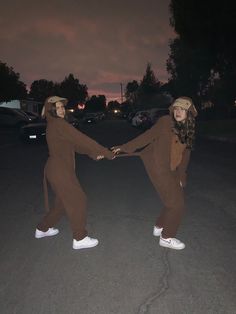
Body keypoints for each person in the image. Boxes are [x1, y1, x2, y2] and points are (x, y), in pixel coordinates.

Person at [112, 97, 197, 250]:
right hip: (158, 166)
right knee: (177, 205)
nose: (178, 112)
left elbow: (186, 154)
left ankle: (159, 226)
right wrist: (125, 147)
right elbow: (147, 136)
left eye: (182, 109)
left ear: (189, 113)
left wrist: (181, 175)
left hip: (172, 169)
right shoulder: (165, 122)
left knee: (173, 199)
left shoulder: (188, 129)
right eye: (176, 109)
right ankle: (167, 237)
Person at [35, 96, 114, 250]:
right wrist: (105, 151)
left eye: (62, 107)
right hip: (60, 170)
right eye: (57, 108)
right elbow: (83, 139)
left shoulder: (55, 125)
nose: (61, 110)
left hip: (57, 169)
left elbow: (76, 145)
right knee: (79, 200)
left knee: (61, 204)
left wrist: (93, 154)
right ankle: (80, 238)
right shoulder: (59, 124)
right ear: (51, 110)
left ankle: (42, 229)